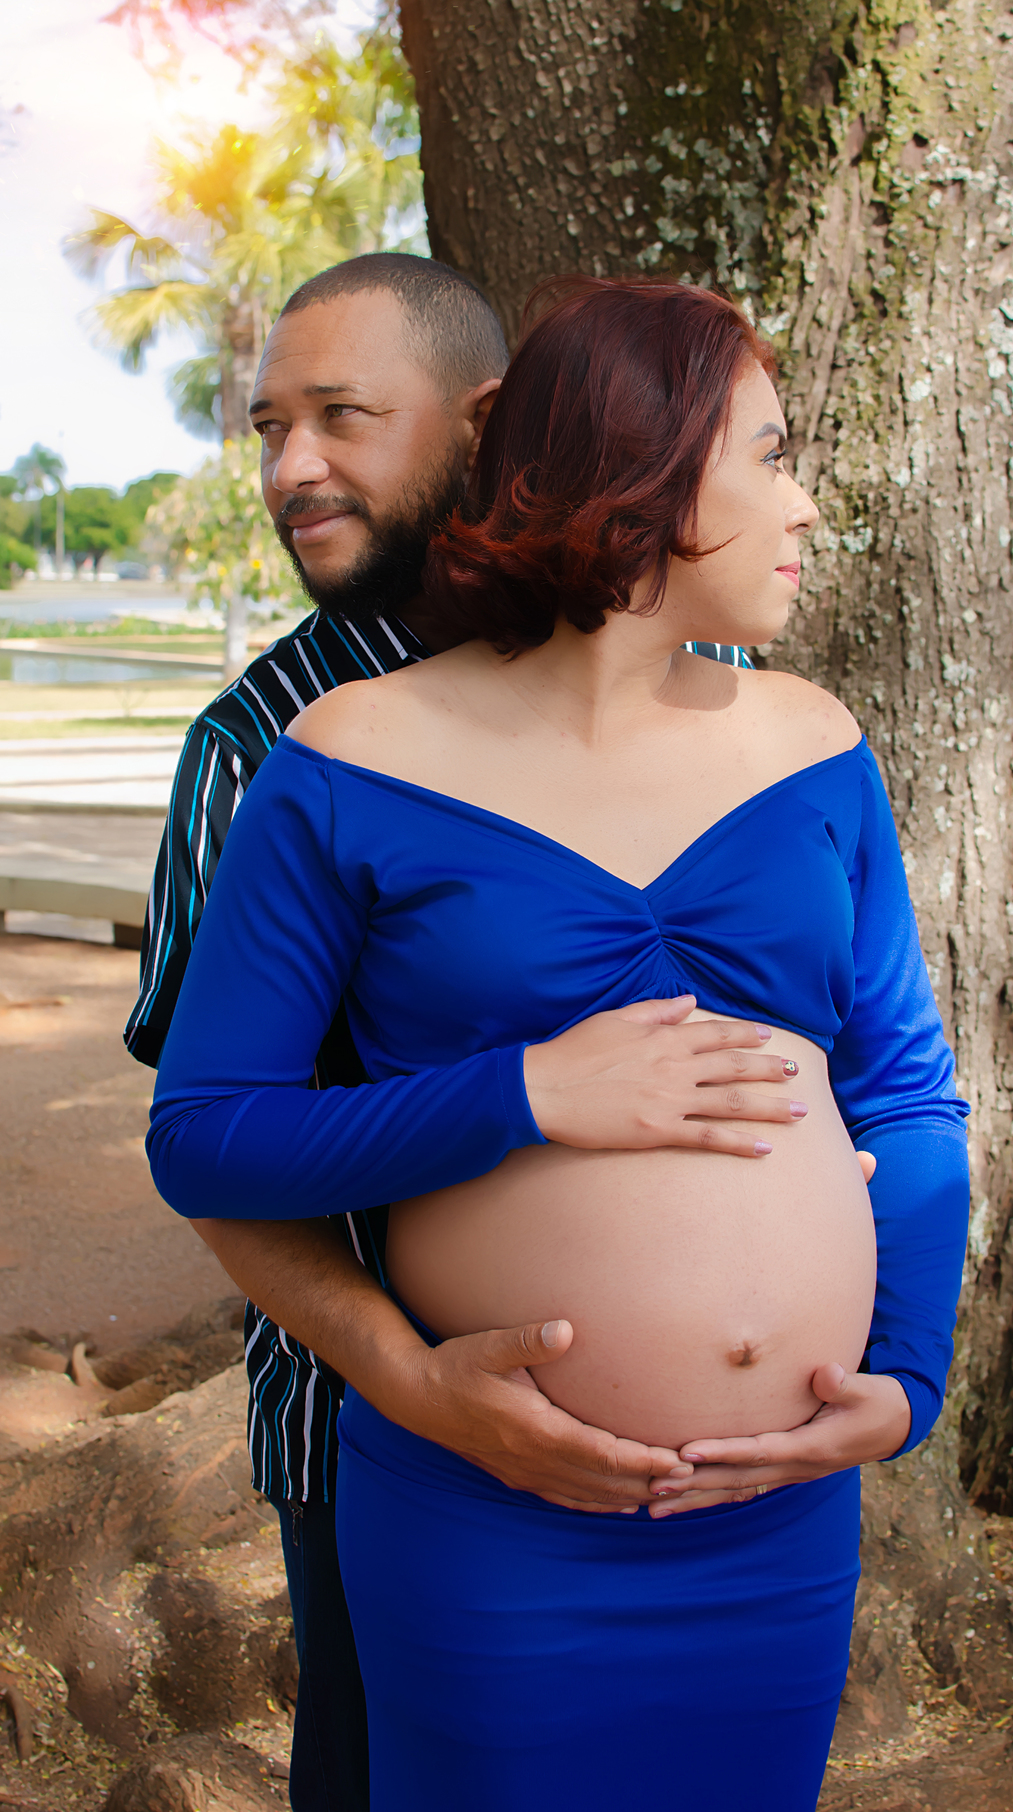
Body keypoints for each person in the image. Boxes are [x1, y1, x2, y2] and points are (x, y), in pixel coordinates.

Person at [145, 275, 970, 1808]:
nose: (807, 506)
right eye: (773, 456)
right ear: (648, 471)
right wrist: (525, 1094)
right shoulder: (341, 762)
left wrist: (906, 1374)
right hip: (488, 1516)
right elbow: (204, 1135)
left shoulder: (817, 743)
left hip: (774, 1520)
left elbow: (910, 1099)